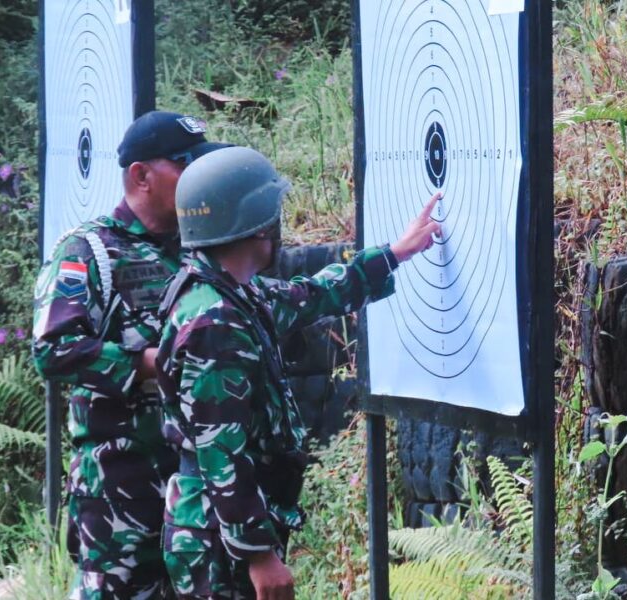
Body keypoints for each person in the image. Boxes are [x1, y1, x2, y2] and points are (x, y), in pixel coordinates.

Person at [155, 146, 442, 599]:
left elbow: (311, 295)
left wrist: (395, 254)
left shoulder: (229, 295)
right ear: (257, 226)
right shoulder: (215, 323)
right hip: (219, 540)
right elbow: (219, 450)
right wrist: (257, 554)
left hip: (220, 525)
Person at [32, 111, 230, 599]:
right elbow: (54, 349)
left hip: (195, 484)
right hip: (120, 490)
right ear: (142, 175)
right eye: (185, 164)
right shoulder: (89, 251)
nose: (199, 176)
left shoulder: (201, 250)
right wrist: (147, 363)